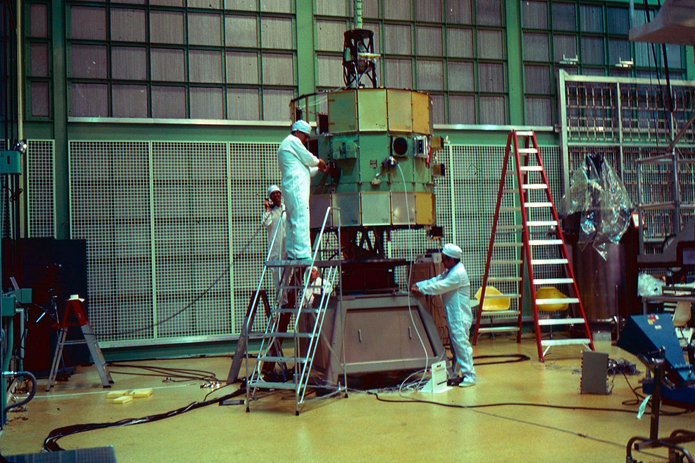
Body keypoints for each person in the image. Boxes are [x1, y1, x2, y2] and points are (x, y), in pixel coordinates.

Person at [410, 243, 476, 387]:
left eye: (444, 259)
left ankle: (470, 376)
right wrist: (419, 285)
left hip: (460, 317)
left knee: (461, 346)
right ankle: (456, 374)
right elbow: (436, 280)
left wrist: (422, 289)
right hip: (454, 316)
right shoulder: (450, 271)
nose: (442, 261)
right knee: (456, 347)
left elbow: (440, 286)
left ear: (452, 259)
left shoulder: (458, 273)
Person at [277, 120, 328, 260]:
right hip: (296, 189)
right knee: (301, 220)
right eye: (305, 136)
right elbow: (309, 158)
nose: (306, 140)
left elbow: (305, 170)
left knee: (292, 221)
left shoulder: (289, 147)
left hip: (292, 188)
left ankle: (292, 253)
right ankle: (303, 255)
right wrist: (319, 162)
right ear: (297, 132)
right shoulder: (292, 141)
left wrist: (318, 169)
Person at [262, 185, 286, 298]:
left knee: (287, 273)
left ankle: (287, 298)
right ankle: (281, 300)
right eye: (273, 194)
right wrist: (267, 209)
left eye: (277, 193)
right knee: (277, 274)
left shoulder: (286, 208)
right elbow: (266, 223)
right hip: (276, 246)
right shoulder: (270, 211)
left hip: (287, 245)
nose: (276, 195)